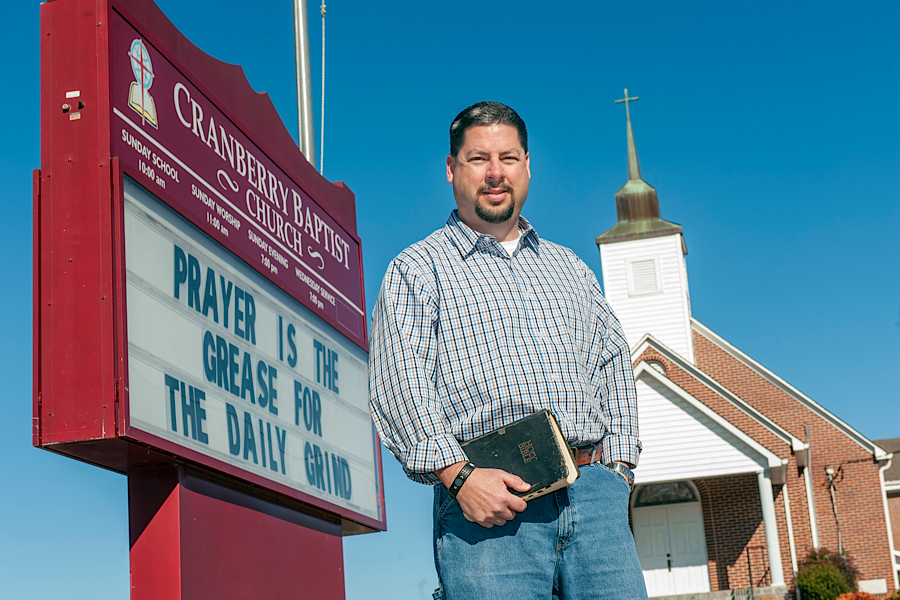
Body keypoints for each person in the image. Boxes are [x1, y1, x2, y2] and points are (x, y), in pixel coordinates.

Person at [368, 101, 647, 600]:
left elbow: (612, 364)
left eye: (509, 158)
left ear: (527, 167)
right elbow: (399, 388)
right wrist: (460, 479)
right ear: (452, 169)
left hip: (593, 497)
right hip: (489, 509)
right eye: (478, 159)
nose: (496, 173)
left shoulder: (571, 268)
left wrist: (617, 473)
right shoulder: (417, 270)